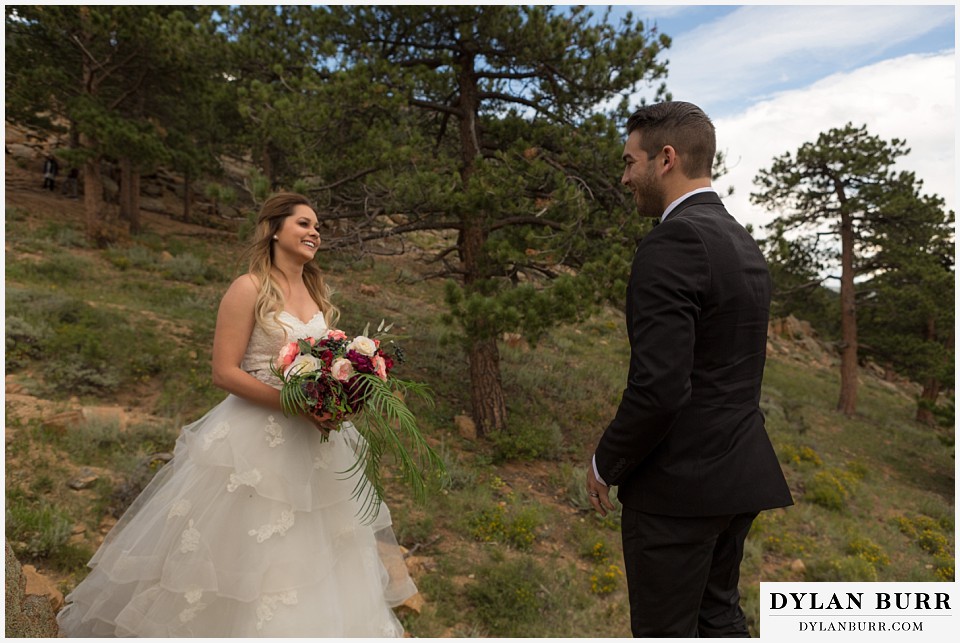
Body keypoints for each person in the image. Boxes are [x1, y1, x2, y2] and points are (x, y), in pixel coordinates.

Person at [57, 192, 418, 637]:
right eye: (303, 223)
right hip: (254, 441)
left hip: (316, 445)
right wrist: (297, 405)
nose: (314, 232)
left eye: (317, 226)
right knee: (250, 556)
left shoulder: (317, 293)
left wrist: (338, 397)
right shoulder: (248, 288)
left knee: (320, 553)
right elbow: (224, 372)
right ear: (274, 229)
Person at [586, 102, 793, 638]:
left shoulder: (672, 243)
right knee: (717, 617)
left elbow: (660, 386)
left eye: (630, 161)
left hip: (679, 490)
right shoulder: (740, 241)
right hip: (737, 476)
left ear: (667, 158)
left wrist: (605, 462)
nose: (624, 175)